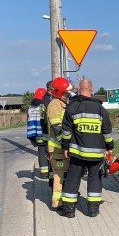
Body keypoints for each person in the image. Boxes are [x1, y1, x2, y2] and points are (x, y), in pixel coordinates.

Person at [58, 79, 114, 218]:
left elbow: (66, 132)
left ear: (78, 89)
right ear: (92, 88)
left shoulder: (72, 108)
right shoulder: (101, 109)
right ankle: (93, 210)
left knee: (72, 179)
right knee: (95, 179)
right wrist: (109, 147)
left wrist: (65, 147)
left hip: (77, 153)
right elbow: (107, 132)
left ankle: (69, 210)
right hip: (96, 154)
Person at [46, 77, 74, 210]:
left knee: (64, 174)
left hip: (62, 148)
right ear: (58, 92)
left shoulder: (63, 104)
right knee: (59, 175)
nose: (68, 95)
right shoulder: (54, 105)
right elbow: (57, 128)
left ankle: (64, 199)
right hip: (58, 149)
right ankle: (57, 203)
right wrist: (66, 144)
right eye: (66, 93)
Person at [27, 87, 49, 178]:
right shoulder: (43, 106)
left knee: (41, 152)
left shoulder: (31, 107)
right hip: (44, 133)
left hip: (36, 134)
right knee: (49, 152)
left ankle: (44, 173)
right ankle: (50, 173)